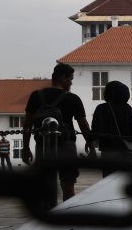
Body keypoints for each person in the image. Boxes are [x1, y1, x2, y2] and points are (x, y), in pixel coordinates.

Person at [22, 63, 96, 202]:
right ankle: (66, 217)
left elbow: (27, 124)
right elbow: (83, 125)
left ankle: (46, 214)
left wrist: (25, 148)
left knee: (44, 183)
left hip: (42, 144)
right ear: (63, 78)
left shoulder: (36, 96)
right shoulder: (72, 98)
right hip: (66, 145)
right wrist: (91, 147)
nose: (71, 83)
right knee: (68, 186)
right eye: (70, 79)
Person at [91, 81, 132, 177]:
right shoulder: (128, 108)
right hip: (129, 152)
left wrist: (90, 143)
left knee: (109, 181)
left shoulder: (102, 108)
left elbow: (95, 130)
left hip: (109, 151)